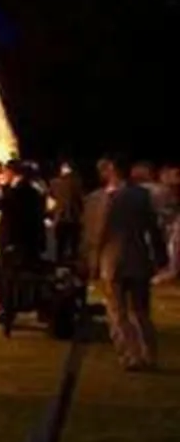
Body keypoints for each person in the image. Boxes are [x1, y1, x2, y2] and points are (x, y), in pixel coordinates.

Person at [82, 156, 167, 370]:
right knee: (140, 311)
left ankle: (131, 355)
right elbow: (153, 229)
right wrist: (160, 257)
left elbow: (93, 235)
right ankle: (148, 355)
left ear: (109, 170)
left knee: (117, 312)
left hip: (111, 262)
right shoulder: (141, 196)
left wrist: (90, 263)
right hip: (138, 259)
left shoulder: (97, 199)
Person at [0, 160, 47, 318]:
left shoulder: (17, 191)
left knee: (2, 276)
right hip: (26, 242)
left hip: (14, 242)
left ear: (12, 173)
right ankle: (7, 307)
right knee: (6, 275)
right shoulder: (32, 191)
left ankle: (5, 308)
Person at [48, 160, 85, 267]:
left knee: (60, 247)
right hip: (74, 219)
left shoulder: (55, 183)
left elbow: (50, 202)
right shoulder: (77, 183)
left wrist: (50, 215)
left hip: (61, 219)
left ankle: (60, 268)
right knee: (74, 248)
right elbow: (81, 201)